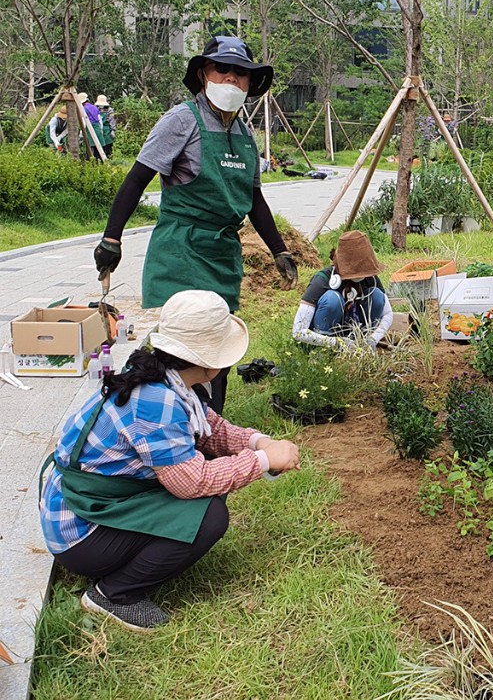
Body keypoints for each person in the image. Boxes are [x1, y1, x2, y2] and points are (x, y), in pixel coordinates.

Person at [38, 290, 301, 632]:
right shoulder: (155, 400)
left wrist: (256, 441)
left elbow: (210, 430)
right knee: (208, 516)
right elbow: (193, 482)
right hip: (80, 532)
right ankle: (113, 594)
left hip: (87, 506)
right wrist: (263, 460)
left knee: (206, 476)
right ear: (209, 364)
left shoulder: (163, 376)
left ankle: (117, 568)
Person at [93, 36, 299, 412]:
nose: (232, 80)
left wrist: (279, 250)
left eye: (241, 74)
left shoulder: (244, 132)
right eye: (223, 70)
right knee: (187, 345)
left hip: (222, 251)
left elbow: (254, 199)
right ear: (204, 74)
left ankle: (211, 425)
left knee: (218, 346)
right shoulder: (182, 119)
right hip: (182, 246)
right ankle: (161, 422)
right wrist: (112, 238)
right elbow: (137, 179)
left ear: (251, 83)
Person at [292, 230, 393, 349]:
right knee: (332, 300)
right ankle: (322, 352)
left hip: (355, 338)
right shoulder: (322, 280)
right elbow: (298, 331)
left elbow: (388, 313)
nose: (361, 276)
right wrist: (337, 343)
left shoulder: (370, 278)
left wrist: (373, 339)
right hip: (323, 340)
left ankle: (361, 341)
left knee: (377, 295)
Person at [96, 94, 116, 159]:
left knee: (108, 147)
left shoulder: (109, 110)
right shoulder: (96, 109)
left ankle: (109, 159)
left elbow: (112, 120)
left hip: (107, 130)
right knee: (99, 146)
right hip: (98, 130)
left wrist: (113, 130)